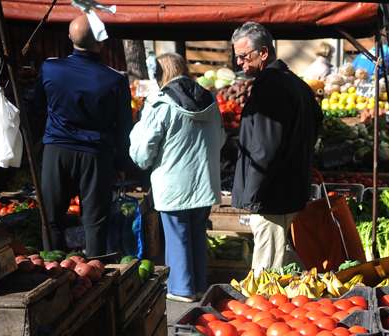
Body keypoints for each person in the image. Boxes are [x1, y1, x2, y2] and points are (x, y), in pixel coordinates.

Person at [33, 13, 132, 257]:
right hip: (97, 155)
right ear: (101, 41)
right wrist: (121, 164)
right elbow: (124, 127)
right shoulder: (116, 80)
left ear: (69, 38)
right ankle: (95, 277)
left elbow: (37, 107)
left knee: (51, 218)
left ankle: (54, 272)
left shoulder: (50, 68)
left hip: (57, 150)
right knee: (95, 223)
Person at [129, 53, 225, 303]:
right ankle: (199, 287)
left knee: (177, 235)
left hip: (173, 184)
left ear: (161, 75)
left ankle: (182, 289)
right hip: (206, 182)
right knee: (197, 234)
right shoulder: (210, 99)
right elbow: (222, 138)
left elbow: (142, 153)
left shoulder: (160, 103)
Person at [231, 22, 323, 273]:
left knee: (266, 273)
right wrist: (299, 151)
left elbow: (265, 149)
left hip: (271, 196)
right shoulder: (293, 83)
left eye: (243, 56)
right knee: (281, 256)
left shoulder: (272, 87)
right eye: (236, 56)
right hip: (285, 189)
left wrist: (252, 196)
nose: (239, 62)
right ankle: (311, 298)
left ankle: (269, 310)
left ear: (263, 53)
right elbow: (316, 119)